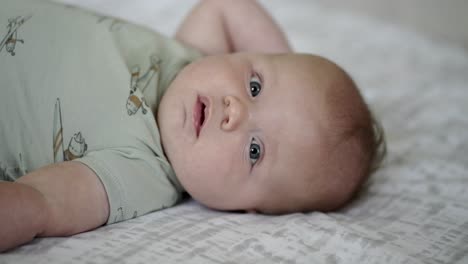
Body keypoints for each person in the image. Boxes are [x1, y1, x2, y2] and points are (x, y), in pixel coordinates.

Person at [0, 0, 385, 252]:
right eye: (255, 86)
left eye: (255, 150)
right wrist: (286, 66)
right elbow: (229, 6)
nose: (235, 110)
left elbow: (39, 204)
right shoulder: (191, 57)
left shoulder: (140, 174)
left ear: (243, 208)